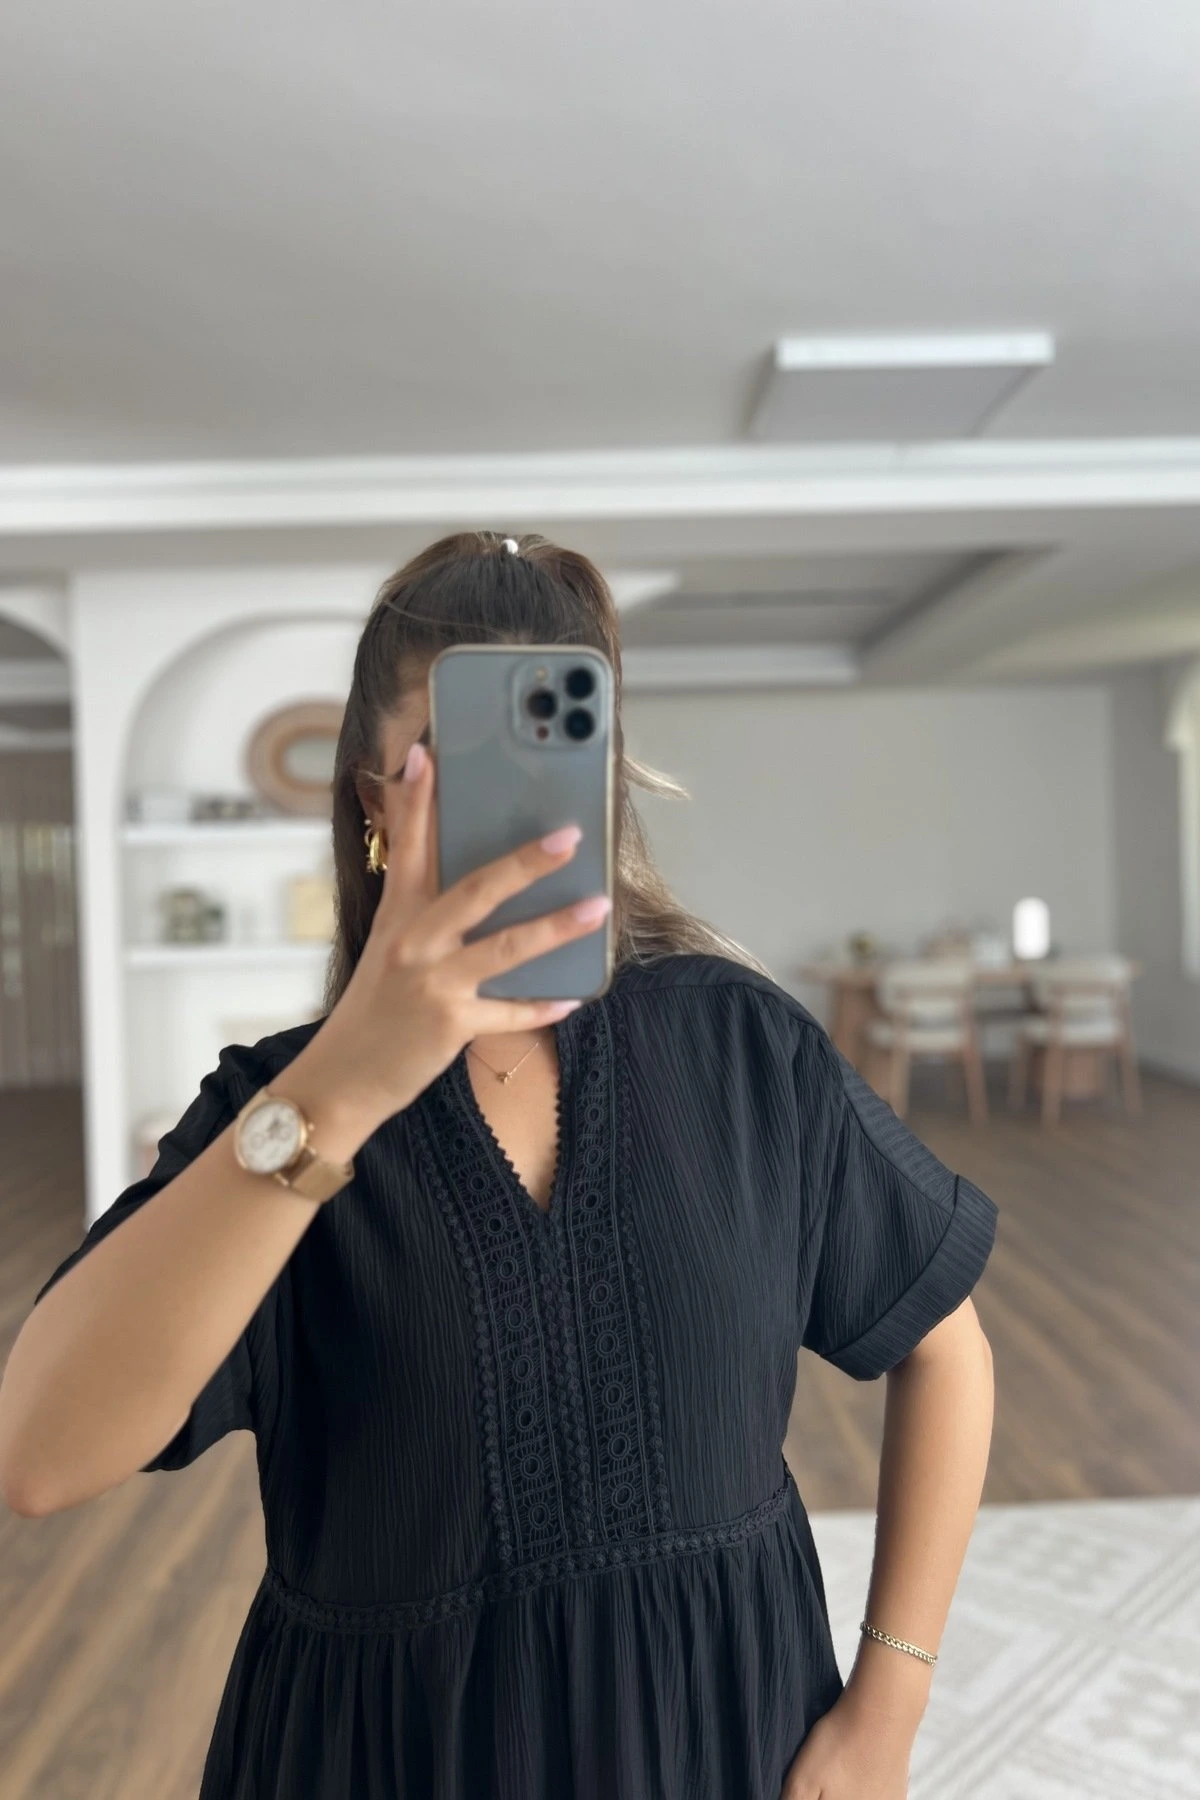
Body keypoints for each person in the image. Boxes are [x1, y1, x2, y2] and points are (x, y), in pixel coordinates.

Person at [0, 530, 998, 1800]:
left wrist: (888, 1709)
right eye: (448, 751)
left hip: (723, 1737)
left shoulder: (741, 1047)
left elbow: (945, 1348)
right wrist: (349, 1080)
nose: (507, 796)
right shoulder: (276, 1109)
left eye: (552, 746)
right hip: (386, 1760)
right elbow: (39, 1455)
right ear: (373, 800)